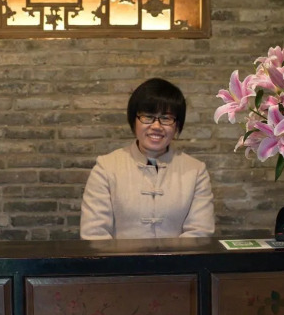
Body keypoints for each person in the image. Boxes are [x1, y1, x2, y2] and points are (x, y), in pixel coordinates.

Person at [79, 78, 215, 239]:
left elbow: (200, 232)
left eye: (166, 118)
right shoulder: (106, 168)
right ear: (134, 120)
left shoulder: (195, 171)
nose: (156, 126)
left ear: (177, 125)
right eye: (148, 117)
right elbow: (94, 233)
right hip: (120, 256)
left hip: (180, 256)